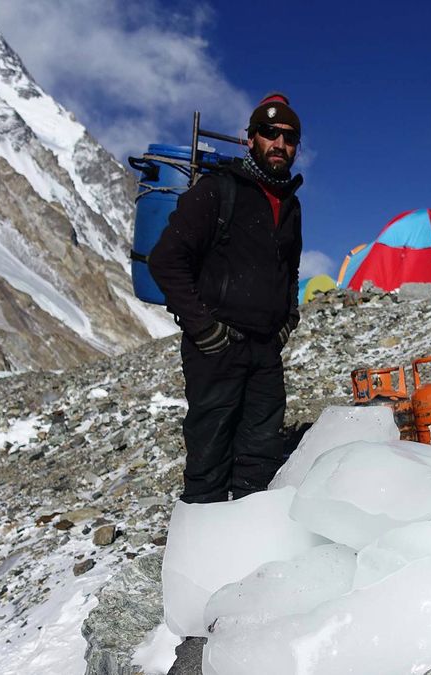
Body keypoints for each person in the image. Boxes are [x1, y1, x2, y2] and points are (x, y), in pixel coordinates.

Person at [148, 92, 304, 503]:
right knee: (210, 458)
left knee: (260, 458)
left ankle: (247, 536)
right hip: (217, 347)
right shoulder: (218, 190)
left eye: (289, 137)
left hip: (265, 350)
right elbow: (165, 260)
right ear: (250, 139)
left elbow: (290, 269)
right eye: (269, 133)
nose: (279, 144)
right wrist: (203, 328)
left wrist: (288, 317)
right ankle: (201, 539)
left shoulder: (290, 204)